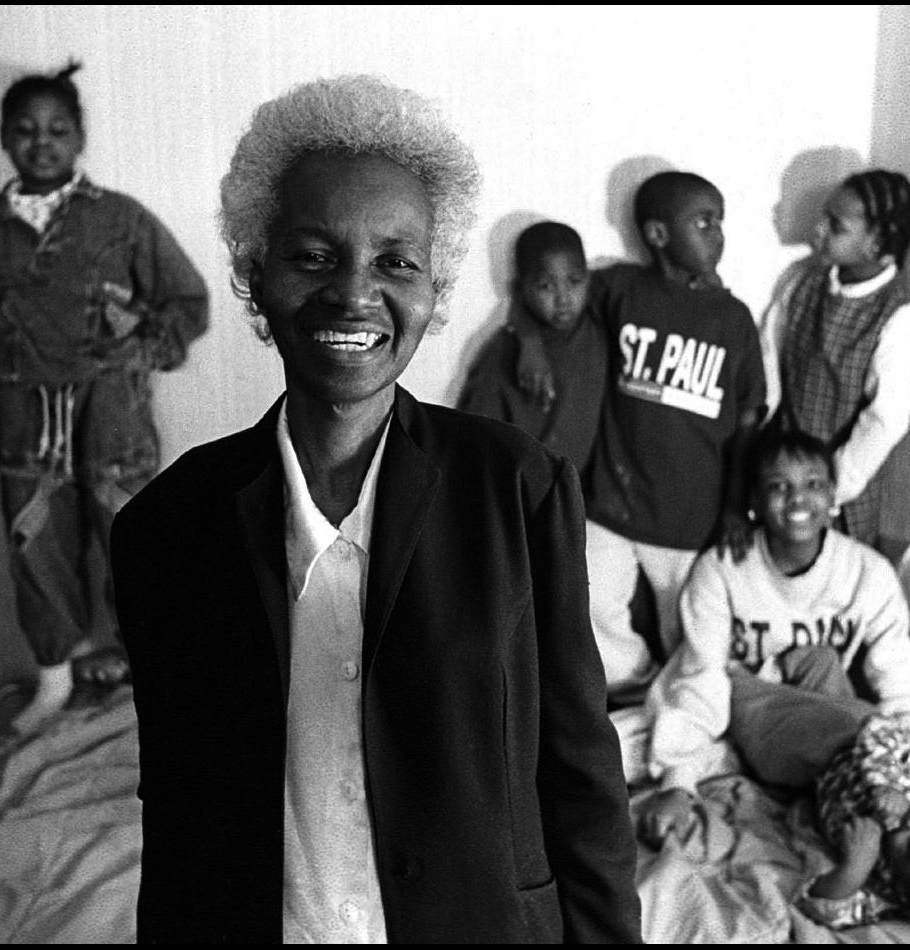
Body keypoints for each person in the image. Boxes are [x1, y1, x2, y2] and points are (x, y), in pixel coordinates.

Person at [111, 75, 641, 944]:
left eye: (396, 260)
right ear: (254, 271)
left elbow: (581, 774)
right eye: (313, 254)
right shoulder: (166, 531)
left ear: (434, 289)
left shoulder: (519, 488)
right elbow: (175, 815)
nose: (354, 294)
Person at [0, 61, 209, 732]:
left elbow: (186, 301)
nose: (41, 142)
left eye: (57, 129)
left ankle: (154, 676)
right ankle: (53, 678)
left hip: (115, 418)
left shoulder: (121, 219)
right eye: (25, 130)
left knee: (135, 543)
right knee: (36, 543)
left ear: (79, 138)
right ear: (2, 139)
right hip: (28, 425)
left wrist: (141, 347)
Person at [514, 171, 766, 770]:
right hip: (612, 506)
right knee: (590, 605)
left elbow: (750, 423)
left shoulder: (733, 319)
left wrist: (736, 506)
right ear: (656, 234)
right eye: (703, 222)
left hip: (692, 521)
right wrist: (527, 342)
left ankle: (683, 739)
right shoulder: (621, 289)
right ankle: (634, 702)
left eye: (719, 221)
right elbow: (545, 297)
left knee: (698, 646)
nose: (718, 234)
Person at [640, 426, 910, 827]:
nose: (798, 498)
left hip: (822, 713)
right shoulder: (721, 569)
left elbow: (900, 683)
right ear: (754, 500)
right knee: (843, 724)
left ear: (833, 496)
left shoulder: (868, 573)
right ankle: (863, 774)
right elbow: (702, 675)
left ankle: (865, 777)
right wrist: (677, 784)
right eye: (778, 486)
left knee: (820, 662)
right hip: (747, 711)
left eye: (814, 484)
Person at [639, 647, 910, 937]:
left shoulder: (887, 890)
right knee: (754, 720)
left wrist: (852, 870)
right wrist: (886, 785)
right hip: (840, 739)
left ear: (909, 896)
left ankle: (801, 667)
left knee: (820, 673)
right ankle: (729, 672)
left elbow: (824, 907)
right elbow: (883, 737)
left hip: (823, 781)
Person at [759, 169, 910, 546]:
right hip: (783, 464)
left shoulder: (893, 314)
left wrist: (831, 485)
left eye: (836, 225)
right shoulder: (803, 283)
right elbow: (769, 359)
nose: (818, 229)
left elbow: (887, 419)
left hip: (837, 491)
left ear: (878, 243)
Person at [458, 221, 605, 473]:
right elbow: (476, 435)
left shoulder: (598, 324)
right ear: (520, 289)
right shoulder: (503, 350)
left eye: (574, 281)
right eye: (545, 286)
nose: (563, 299)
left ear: (588, 279)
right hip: (517, 490)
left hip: (571, 495)